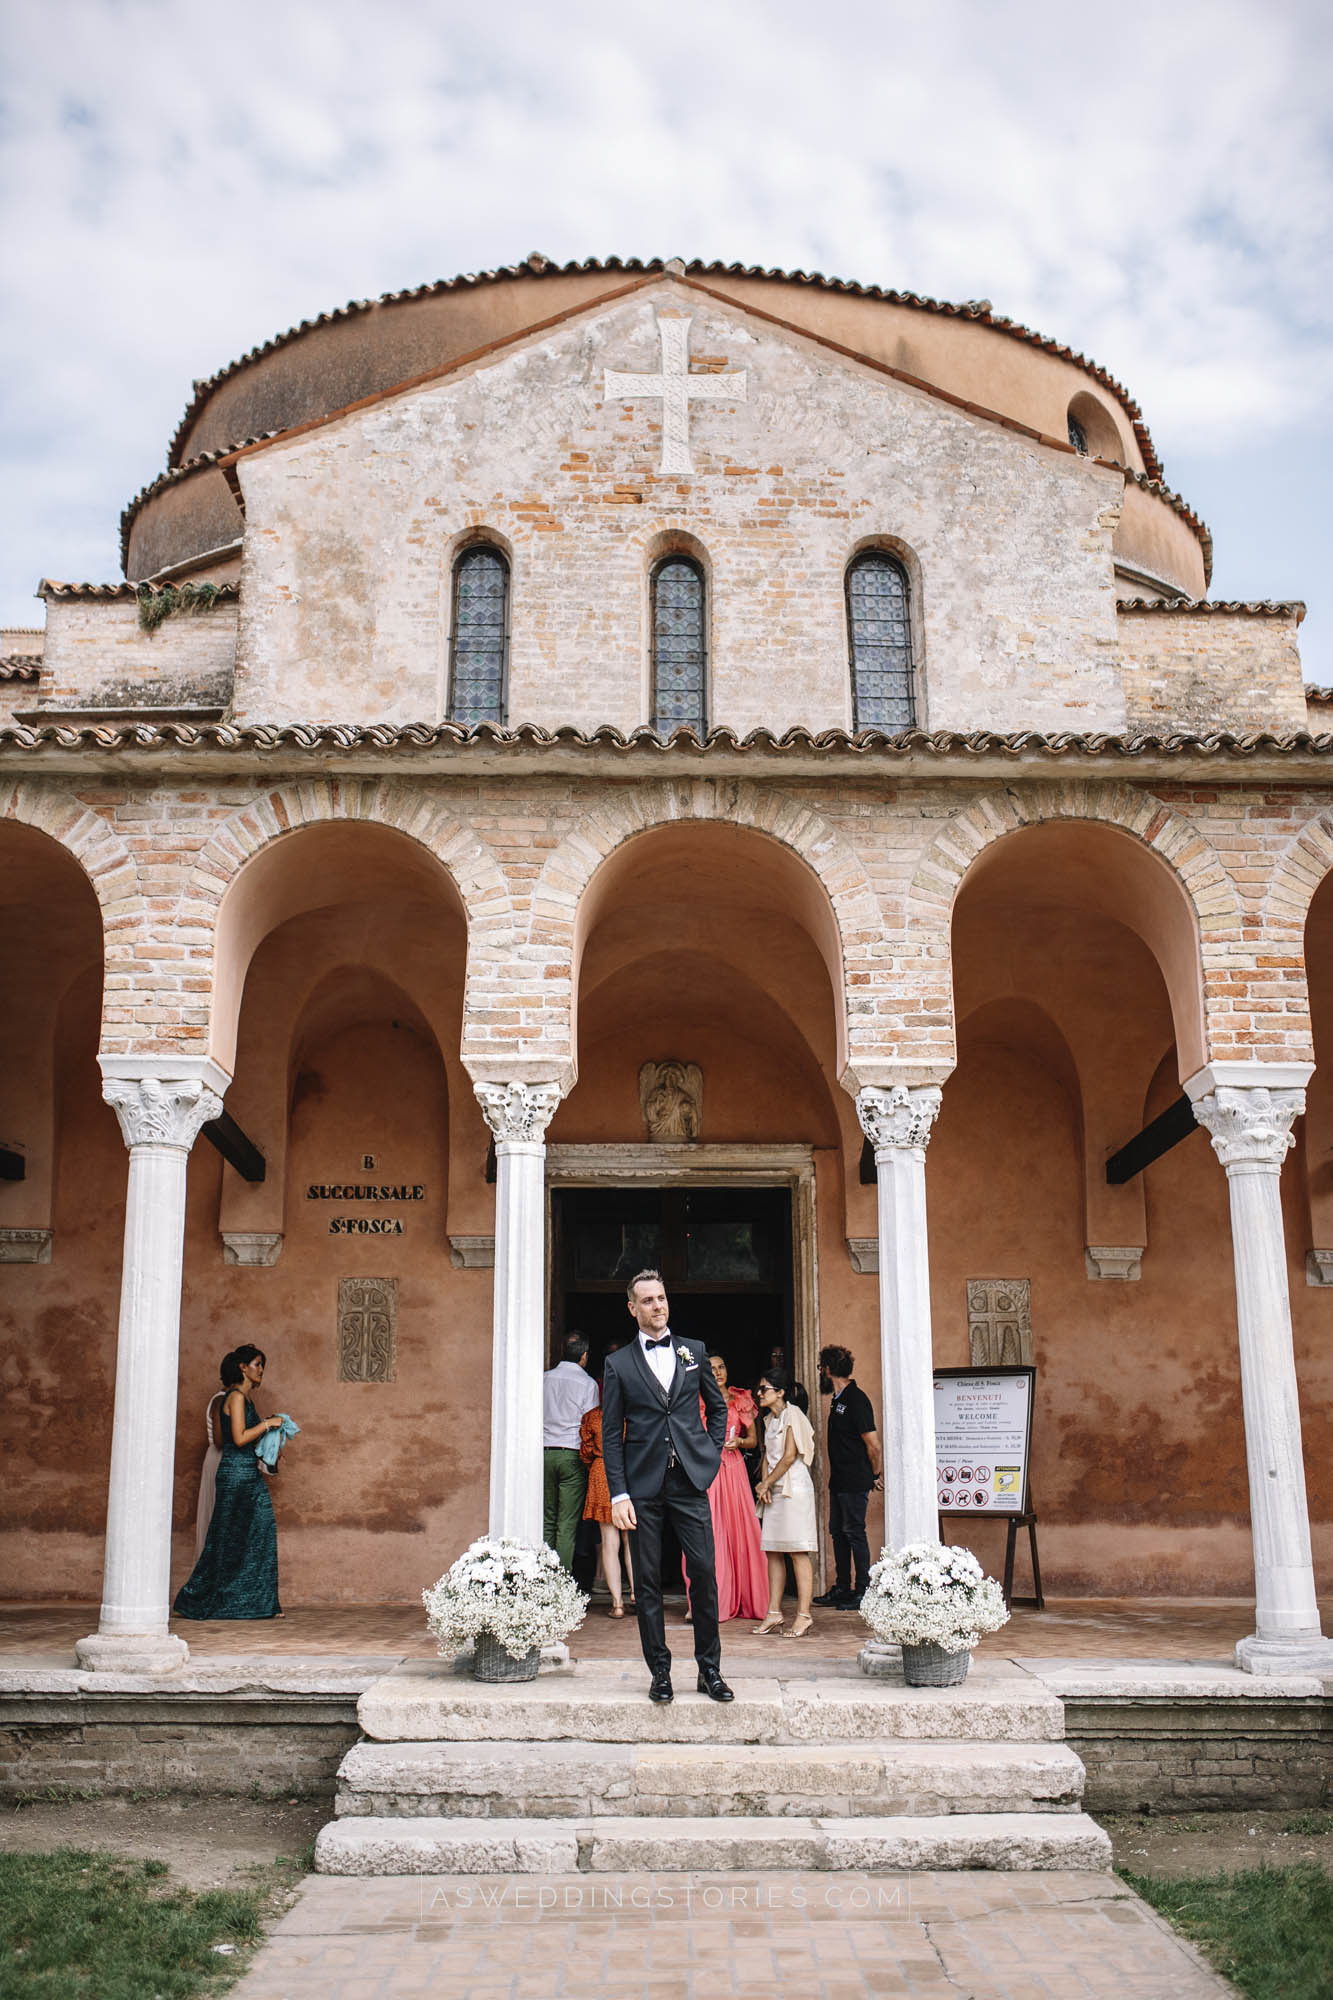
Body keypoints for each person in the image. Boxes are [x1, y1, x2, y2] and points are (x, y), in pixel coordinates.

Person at [603, 1270, 732, 1704]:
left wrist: (710, 1454)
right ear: (632, 1308)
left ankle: (710, 1670)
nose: (657, 1306)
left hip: (689, 1481)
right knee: (648, 1580)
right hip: (642, 1486)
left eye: (661, 1298)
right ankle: (660, 1672)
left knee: (704, 1573)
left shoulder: (693, 1351)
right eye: (648, 1300)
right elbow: (611, 1434)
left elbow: (718, 1409)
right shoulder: (619, 1364)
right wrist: (619, 1493)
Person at [174, 1346, 283, 1620]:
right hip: (235, 1474)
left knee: (259, 1533)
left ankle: (259, 1603)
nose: (261, 1370)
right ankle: (195, 1600)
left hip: (248, 1473)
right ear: (243, 1367)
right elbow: (239, 1438)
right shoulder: (234, 1397)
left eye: (262, 1365)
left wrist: (273, 1437)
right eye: (257, 1364)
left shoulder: (246, 1400)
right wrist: (267, 1424)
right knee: (226, 1539)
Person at [683, 1352, 767, 1622]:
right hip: (705, 1469)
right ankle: (702, 1601)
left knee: (739, 1530)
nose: (718, 1372)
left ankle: (745, 1596)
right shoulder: (694, 1399)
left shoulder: (740, 1399)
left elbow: (753, 1440)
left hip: (733, 1469)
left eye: (721, 1367)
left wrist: (738, 1443)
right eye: (712, 1368)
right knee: (707, 1533)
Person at [814, 1344, 883, 1610]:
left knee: (854, 1532)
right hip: (840, 1480)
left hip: (855, 1479)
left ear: (828, 1369)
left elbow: (873, 1445)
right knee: (838, 1533)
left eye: (821, 1367)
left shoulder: (856, 1399)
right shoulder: (838, 1399)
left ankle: (863, 1590)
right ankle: (843, 1587)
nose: (820, 1372)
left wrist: (875, 1474)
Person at [753, 1366, 818, 1637]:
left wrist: (767, 1482)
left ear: (780, 1392)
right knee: (773, 1551)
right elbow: (767, 1455)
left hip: (794, 1490)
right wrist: (764, 1485)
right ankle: (774, 1612)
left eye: (764, 1389)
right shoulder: (769, 1419)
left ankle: (804, 1615)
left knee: (797, 1551)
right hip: (775, 1490)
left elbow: (790, 1455)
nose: (759, 1394)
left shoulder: (794, 1415)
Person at [542, 1332, 599, 1573]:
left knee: (547, 1519)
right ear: (584, 1356)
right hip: (571, 1453)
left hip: (544, 1452)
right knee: (566, 1523)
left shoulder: (544, 1379)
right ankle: (560, 1581)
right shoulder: (588, 1384)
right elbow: (591, 1423)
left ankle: (541, 1577)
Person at [579, 1385, 636, 1617]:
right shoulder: (631, 1416)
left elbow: (585, 1451)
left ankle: (617, 1604)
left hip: (601, 1472)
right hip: (627, 1471)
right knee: (631, 1540)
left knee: (609, 1543)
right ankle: (636, 1593)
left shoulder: (592, 1417)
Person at [194, 1389, 225, 1558]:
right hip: (220, 1459)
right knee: (216, 1513)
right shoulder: (221, 1400)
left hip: (230, 1459)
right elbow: (220, 1440)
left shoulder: (240, 1400)